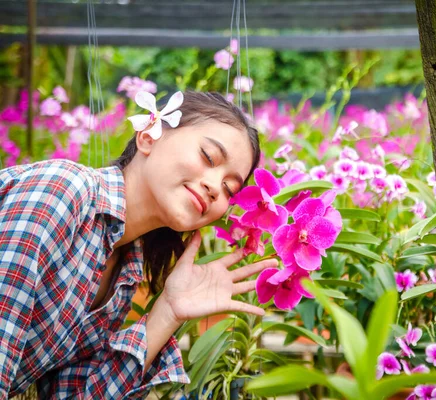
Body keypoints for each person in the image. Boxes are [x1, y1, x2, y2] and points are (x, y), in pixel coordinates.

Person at [0, 91, 276, 399]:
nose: (214, 188)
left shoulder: (123, 275)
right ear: (148, 136)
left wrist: (168, 312)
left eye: (229, 188)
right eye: (208, 157)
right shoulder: (62, 190)